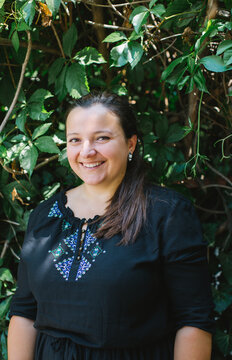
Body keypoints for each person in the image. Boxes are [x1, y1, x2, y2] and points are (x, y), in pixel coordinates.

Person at [8, 92, 214, 360]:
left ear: (130, 143)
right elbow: (24, 312)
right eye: (75, 140)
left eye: (102, 138)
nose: (86, 151)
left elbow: (194, 321)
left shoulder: (166, 214)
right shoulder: (44, 216)